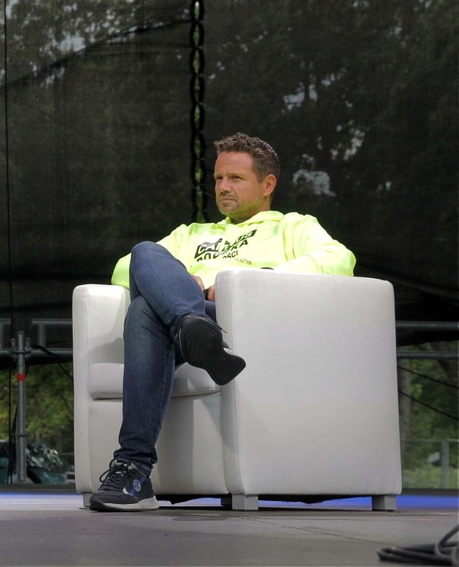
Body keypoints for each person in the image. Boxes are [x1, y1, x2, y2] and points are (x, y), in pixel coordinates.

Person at [89, 132, 356, 512]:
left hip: (239, 321)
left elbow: (338, 260)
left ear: (267, 185)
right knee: (144, 253)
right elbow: (124, 271)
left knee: (144, 311)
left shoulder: (292, 226)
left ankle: (133, 469)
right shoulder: (192, 235)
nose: (223, 187)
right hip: (191, 323)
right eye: (217, 179)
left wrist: (245, 281)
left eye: (235, 178)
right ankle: (189, 324)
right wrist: (180, 284)